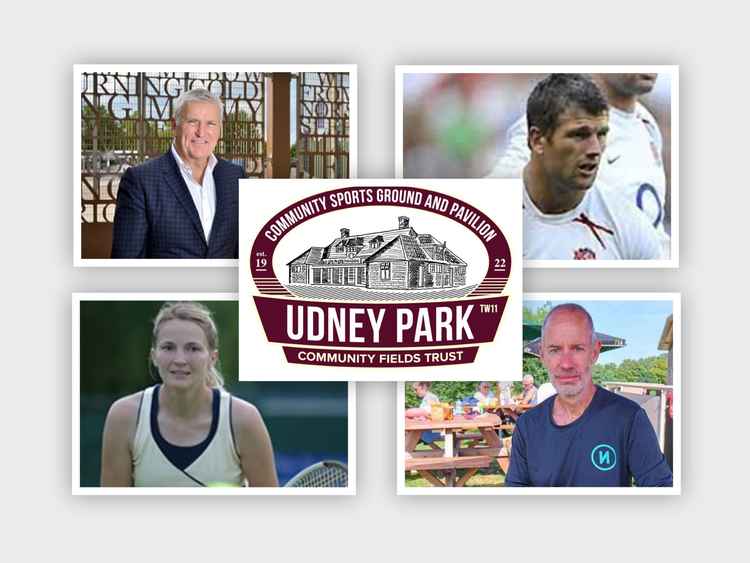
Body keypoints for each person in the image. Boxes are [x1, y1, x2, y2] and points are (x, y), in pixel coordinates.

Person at [487, 73, 670, 254]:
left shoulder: (646, 123)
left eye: (602, 135)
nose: (594, 148)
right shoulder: (558, 116)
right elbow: (502, 185)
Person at [100, 302, 278, 487]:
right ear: (154, 356)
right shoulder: (123, 417)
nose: (179, 360)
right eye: (168, 347)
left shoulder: (244, 419)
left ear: (212, 358)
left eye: (193, 348)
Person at [505, 303, 673, 487]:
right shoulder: (528, 426)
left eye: (577, 348)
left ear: (594, 352)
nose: (566, 364)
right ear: (542, 355)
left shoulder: (628, 418)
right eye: (555, 350)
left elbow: (660, 488)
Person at [111, 89, 244, 259]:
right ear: (174, 125)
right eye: (193, 122)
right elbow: (126, 265)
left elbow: (247, 253)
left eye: (211, 123)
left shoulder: (234, 176)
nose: (201, 132)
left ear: (220, 129)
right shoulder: (141, 181)